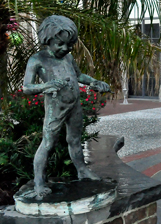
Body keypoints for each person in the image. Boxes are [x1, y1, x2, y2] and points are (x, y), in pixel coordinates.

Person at [23, 15, 110, 198]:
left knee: (75, 140)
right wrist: (45, 86)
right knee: (48, 143)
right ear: (47, 40)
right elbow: (27, 87)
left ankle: (82, 170)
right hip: (55, 107)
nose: (65, 48)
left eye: (69, 45)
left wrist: (94, 81)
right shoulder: (37, 60)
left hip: (74, 105)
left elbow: (79, 76)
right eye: (60, 44)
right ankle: (39, 181)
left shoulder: (68, 57)